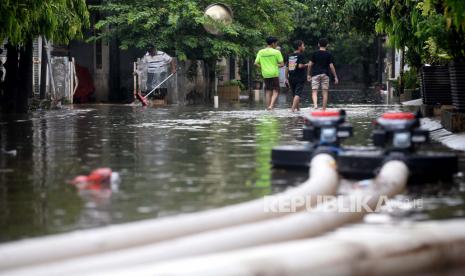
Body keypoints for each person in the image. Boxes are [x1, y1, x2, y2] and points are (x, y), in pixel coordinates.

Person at [307, 38, 339, 110]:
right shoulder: (329, 54)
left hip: (315, 74)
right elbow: (331, 66)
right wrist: (335, 77)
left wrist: (308, 74)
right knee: (325, 92)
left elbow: (309, 65)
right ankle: (324, 109)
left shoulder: (314, 53)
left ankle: (315, 105)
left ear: (318, 44)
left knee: (314, 91)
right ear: (327, 45)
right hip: (325, 74)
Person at [254, 36, 284, 110]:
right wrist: (275, 65)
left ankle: (268, 108)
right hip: (274, 73)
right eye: (276, 43)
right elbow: (282, 64)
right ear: (273, 43)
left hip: (265, 74)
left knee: (268, 91)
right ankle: (271, 106)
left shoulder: (261, 52)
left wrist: (263, 67)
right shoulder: (276, 52)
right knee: (276, 90)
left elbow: (255, 63)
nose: (276, 45)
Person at [286, 40, 307, 112]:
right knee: (298, 93)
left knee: (294, 94)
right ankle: (292, 109)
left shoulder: (290, 55)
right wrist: (308, 64)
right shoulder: (301, 55)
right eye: (303, 45)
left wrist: (286, 78)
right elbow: (300, 66)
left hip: (291, 77)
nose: (304, 47)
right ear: (299, 47)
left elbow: (287, 67)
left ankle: (298, 109)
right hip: (300, 77)